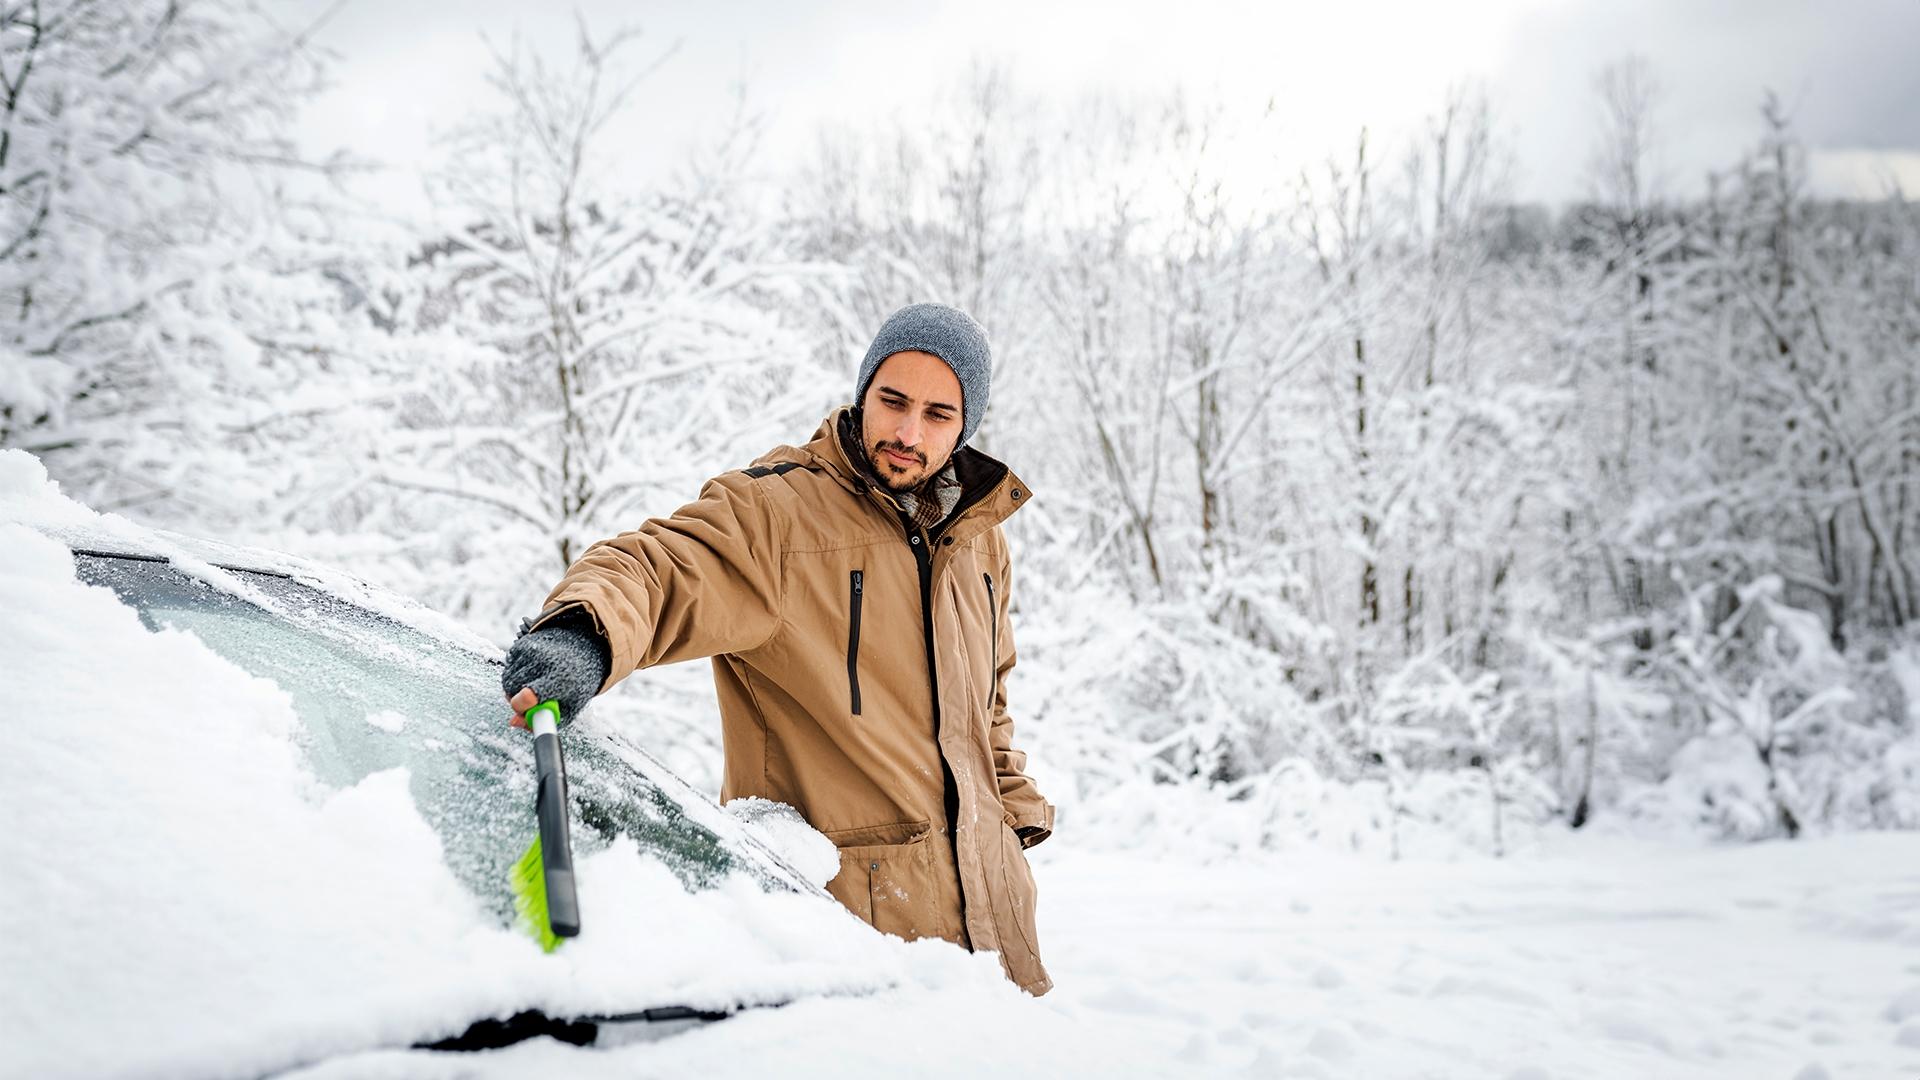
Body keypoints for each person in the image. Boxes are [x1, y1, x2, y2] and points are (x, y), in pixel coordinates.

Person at [499, 302, 1055, 995]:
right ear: (862, 393)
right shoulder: (780, 514)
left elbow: (988, 700)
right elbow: (661, 567)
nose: (909, 433)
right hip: (848, 948)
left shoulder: (980, 540)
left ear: (965, 426)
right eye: (893, 401)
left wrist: (1010, 816)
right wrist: (586, 632)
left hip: (995, 937)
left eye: (938, 415)